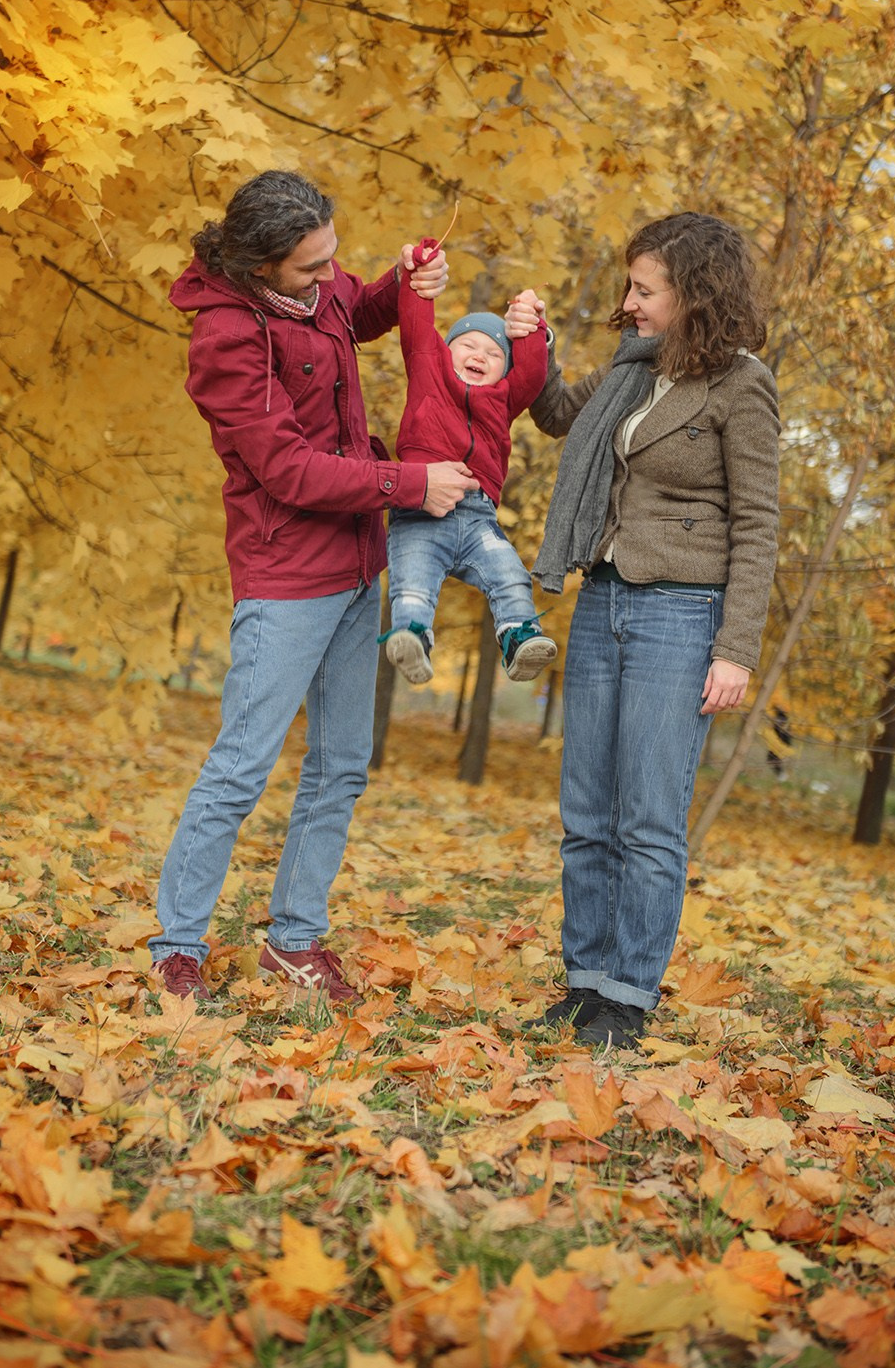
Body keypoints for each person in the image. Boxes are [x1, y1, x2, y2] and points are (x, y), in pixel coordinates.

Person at [148, 171, 478, 1006]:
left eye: (332, 257)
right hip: (287, 575)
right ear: (260, 265)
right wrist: (408, 484)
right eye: (309, 267)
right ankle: (176, 946)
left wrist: (400, 282)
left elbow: (355, 313)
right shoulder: (225, 337)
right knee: (241, 768)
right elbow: (285, 467)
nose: (328, 277)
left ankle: (295, 941)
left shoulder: (317, 288)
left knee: (341, 766)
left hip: (358, 563)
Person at [510, 212, 780, 1050]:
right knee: (586, 809)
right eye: (629, 286)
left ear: (692, 295)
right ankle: (585, 978)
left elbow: (758, 523)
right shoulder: (632, 367)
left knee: (648, 819)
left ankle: (627, 993)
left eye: (643, 289)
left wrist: (735, 649)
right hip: (604, 597)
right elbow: (554, 413)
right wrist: (532, 342)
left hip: (681, 614)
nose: (628, 303)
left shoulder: (740, 384)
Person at [383, 271, 558, 685]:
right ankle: (411, 636)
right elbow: (416, 327)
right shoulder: (429, 376)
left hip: (478, 518)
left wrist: (530, 323)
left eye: (494, 354)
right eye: (468, 345)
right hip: (421, 511)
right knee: (413, 578)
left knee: (509, 574)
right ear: (446, 352)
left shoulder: (503, 400)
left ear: (503, 371)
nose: (480, 355)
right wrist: (417, 279)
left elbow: (532, 373)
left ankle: (519, 637)